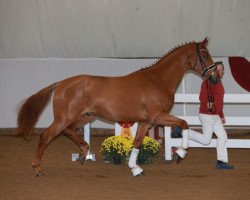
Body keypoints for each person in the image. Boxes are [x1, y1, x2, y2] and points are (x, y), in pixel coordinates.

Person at [173, 62, 234, 169]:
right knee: (206, 140)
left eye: (222, 70)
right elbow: (203, 98)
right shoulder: (207, 83)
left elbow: (219, 101)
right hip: (207, 115)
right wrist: (210, 107)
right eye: (218, 70)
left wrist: (221, 115)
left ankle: (221, 161)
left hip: (215, 116)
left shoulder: (218, 82)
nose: (221, 72)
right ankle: (182, 131)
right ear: (213, 70)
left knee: (223, 136)